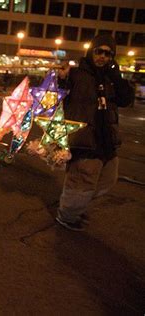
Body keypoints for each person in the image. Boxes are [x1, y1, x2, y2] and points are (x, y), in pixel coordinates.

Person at [55, 34, 134, 231]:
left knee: (107, 179)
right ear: (91, 51)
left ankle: (76, 207)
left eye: (108, 54)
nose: (103, 57)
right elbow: (58, 94)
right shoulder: (77, 74)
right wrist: (62, 79)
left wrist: (117, 77)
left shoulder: (110, 77)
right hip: (84, 139)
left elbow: (126, 100)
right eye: (99, 52)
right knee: (81, 182)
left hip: (107, 139)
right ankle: (67, 215)